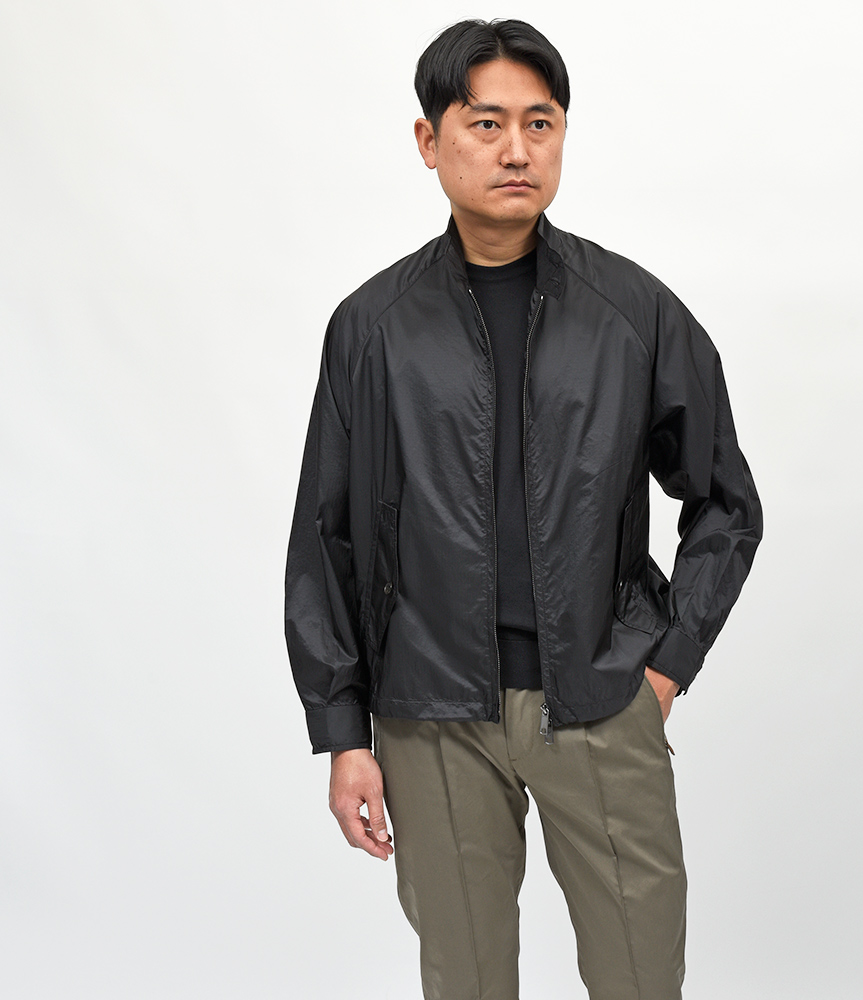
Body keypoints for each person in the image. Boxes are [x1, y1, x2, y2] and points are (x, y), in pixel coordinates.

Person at [284, 18, 762, 1000]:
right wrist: (344, 731)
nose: (516, 150)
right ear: (430, 140)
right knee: (464, 982)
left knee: (640, 978)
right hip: (429, 717)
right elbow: (326, 538)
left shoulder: (634, 313)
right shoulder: (371, 329)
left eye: (539, 124)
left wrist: (665, 665)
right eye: (486, 122)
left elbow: (724, 502)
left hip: (600, 697)